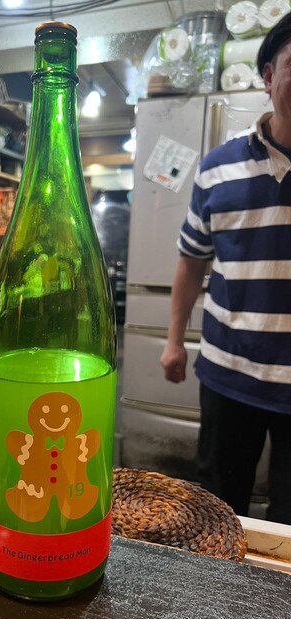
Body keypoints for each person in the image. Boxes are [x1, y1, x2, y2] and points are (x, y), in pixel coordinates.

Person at [160, 13, 291, 526]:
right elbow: (192, 261)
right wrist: (174, 341)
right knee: (218, 508)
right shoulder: (218, 167)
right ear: (268, 77)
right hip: (228, 372)